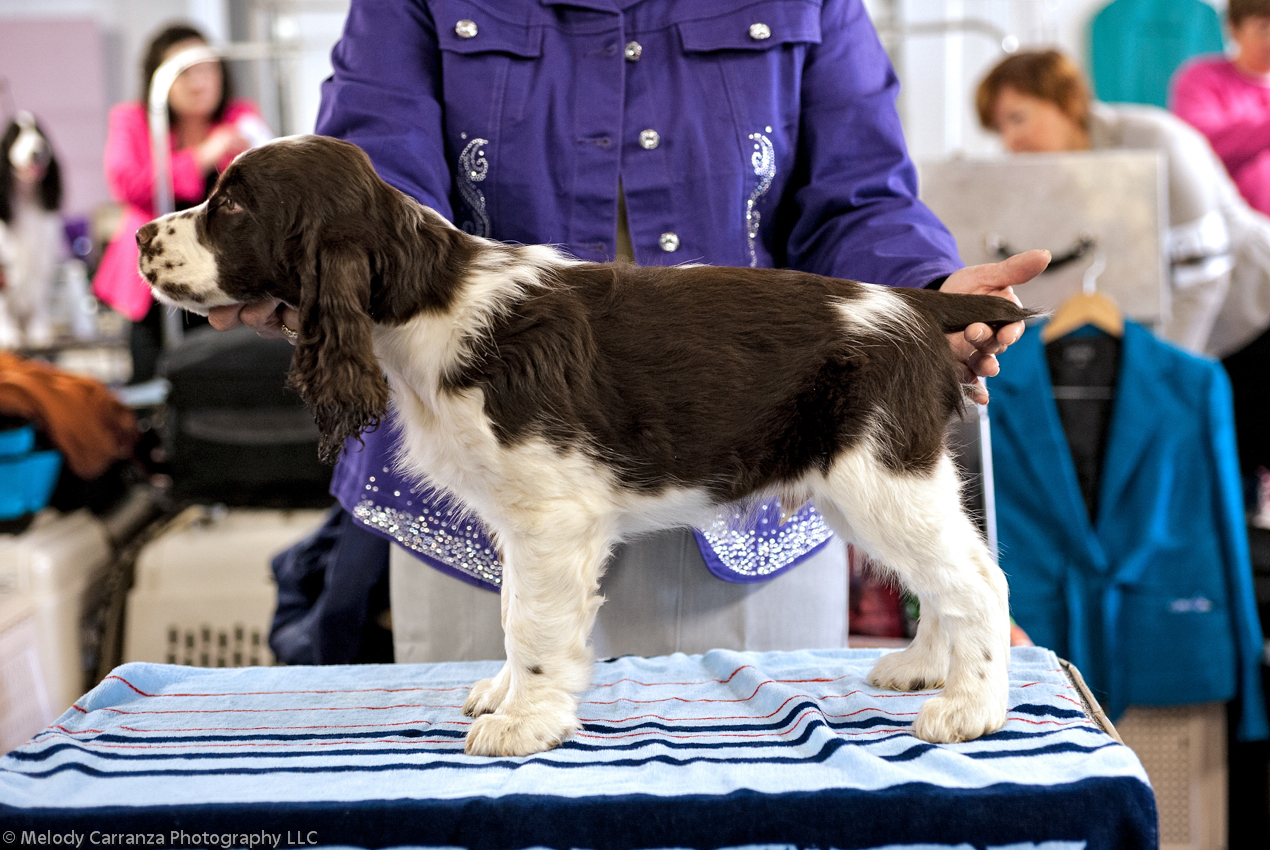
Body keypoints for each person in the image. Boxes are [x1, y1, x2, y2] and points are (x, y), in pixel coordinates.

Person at [210, 0, 1046, 663]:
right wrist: (294, 262)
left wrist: (930, 295)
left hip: (749, 485)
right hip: (486, 512)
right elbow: (368, 189)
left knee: (742, 815)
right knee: (499, 809)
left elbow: (860, 194)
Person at [977, 48, 1270, 358]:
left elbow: (1204, 272)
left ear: (1066, 102)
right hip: (1206, 328)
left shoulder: (1157, 140)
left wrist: (1164, 374)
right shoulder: (1061, 175)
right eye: (1000, 129)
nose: (1010, 141)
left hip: (1255, 305)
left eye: (1017, 118)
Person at [94, 22, 270, 383]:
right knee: (156, 385)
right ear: (159, 79)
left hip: (224, 281)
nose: (198, 82)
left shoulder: (242, 119)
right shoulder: (133, 120)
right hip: (153, 286)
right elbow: (128, 185)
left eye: (207, 68)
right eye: (184, 71)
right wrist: (204, 155)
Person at [1172, 0, 1270, 219]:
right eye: (1263, 28)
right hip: (1226, 223)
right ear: (1233, 29)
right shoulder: (1200, 78)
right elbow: (1201, 143)